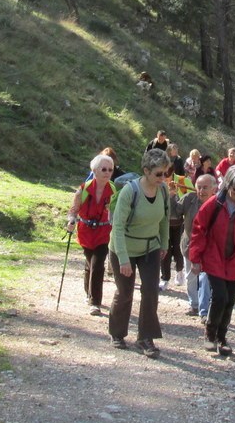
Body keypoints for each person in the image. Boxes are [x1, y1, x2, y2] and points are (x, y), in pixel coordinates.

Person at [189, 165, 235, 356]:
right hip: (214, 257)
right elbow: (198, 231)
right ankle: (210, 334)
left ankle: (222, 338)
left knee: (229, 300)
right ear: (227, 184)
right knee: (220, 297)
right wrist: (195, 258)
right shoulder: (214, 204)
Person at [108, 149, 171, 358]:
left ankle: (145, 338)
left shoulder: (162, 192)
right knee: (125, 292)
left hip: (150, 247)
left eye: (166, 173)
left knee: (151, 291)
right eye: (159, 174)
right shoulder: (130, 192)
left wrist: (164, 244)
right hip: (123, 247)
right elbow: (117, 227)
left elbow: (164, 220)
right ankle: (117, 333)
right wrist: (123, 259)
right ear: (146, 171)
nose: (163, 178)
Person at [65, 154, 117, 315]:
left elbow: (116, 211)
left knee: (98, 264)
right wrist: (71, 221)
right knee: (90, 263)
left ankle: (95, 302)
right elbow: (73, 209)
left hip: (104, 232)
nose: (107, 172)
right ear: (94, 170)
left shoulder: (113, 189)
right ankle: (88, 292)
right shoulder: (84, 188)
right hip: (86, 231)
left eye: (110, 169)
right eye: (104, 169)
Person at [172, 173, 216, 319]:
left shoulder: (219, 203)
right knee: (191, 275)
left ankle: (206, 308)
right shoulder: (189, 199)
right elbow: (174, 213)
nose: (201, 191)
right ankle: (194, 304)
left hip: (211, 248)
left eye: (205, 188)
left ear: (213, 189)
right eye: (199, 187)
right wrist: (172, 196)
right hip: (189, 245)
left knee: (207, 277)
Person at [160, 151, 187, 289]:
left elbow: (190, 198)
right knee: (164, 250)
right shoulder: (158, 184)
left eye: (167, 173)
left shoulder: (182, 181)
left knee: (177, 248)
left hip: (178, 223)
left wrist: (177, 194)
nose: (165, 177)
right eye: (163, 174)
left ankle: (179, 271)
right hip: (163, 224)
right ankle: (164, 278)